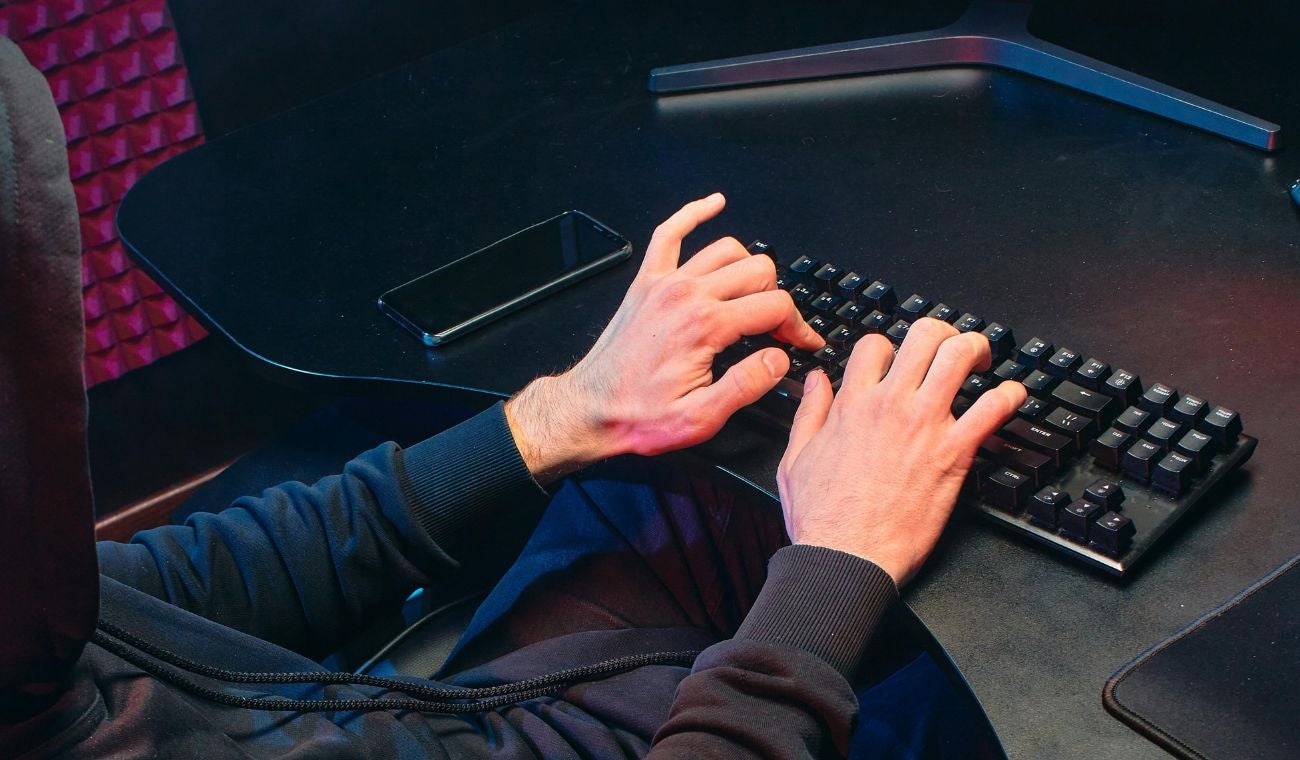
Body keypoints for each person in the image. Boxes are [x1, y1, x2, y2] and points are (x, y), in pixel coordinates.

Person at [0, 38, 1024, 758]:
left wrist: (562, 413)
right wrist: (831, 578)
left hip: (438, 718)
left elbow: (153, 594)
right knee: (996, 699)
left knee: (665, 479)